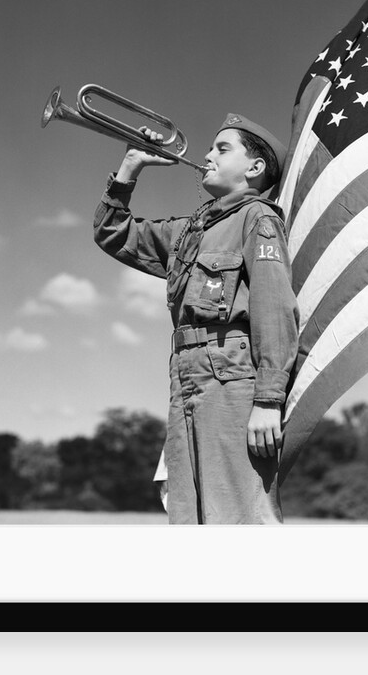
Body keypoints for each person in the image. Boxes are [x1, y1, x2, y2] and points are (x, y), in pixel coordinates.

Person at [93, 113, 299, 524]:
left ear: (255, 168)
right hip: (185, 375)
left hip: (231, 377)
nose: (207, 156)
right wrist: (131, 165)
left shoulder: (258, 218)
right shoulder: (189, 230)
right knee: (188, 515)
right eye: (210, 148)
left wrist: (268, 399)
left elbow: (274, 306)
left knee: (237, 514)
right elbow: (111, 232)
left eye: (222, 149)